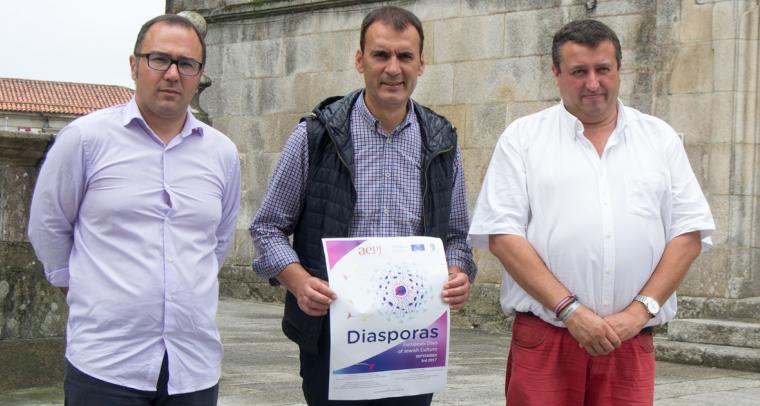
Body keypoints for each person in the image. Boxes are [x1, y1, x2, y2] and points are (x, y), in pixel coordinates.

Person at [468, 19, 715, 406]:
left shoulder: (659, 139)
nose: (593, 83)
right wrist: (570, 310)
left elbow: (688, 234)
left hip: (628, 339)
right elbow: (502, 235)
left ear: (620, 69)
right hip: (547, 338)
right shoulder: (523, 138)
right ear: (556, 73)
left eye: (603, 69)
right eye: (579, 71)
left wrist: (639, 313)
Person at [250, 6, 476, 406]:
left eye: (405, 56)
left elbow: (458, 236)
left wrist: (457, 272)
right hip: (333, 334)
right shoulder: (315, 136)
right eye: (380, 55)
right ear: (360, 60)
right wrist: (299, 283)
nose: (393, 68)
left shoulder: (443, 142)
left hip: (412, 339)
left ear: (421, 64)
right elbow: (267, 227)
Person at [28, 14, 240, 405]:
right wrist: (84, 290)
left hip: (193, 366)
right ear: (134, 65)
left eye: (186, 64)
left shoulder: (222, 153)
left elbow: (218, 241)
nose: (172, 74)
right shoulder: (85, 139)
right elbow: (48, 225)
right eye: (159, 59)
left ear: (199, 75)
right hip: (107, 364)